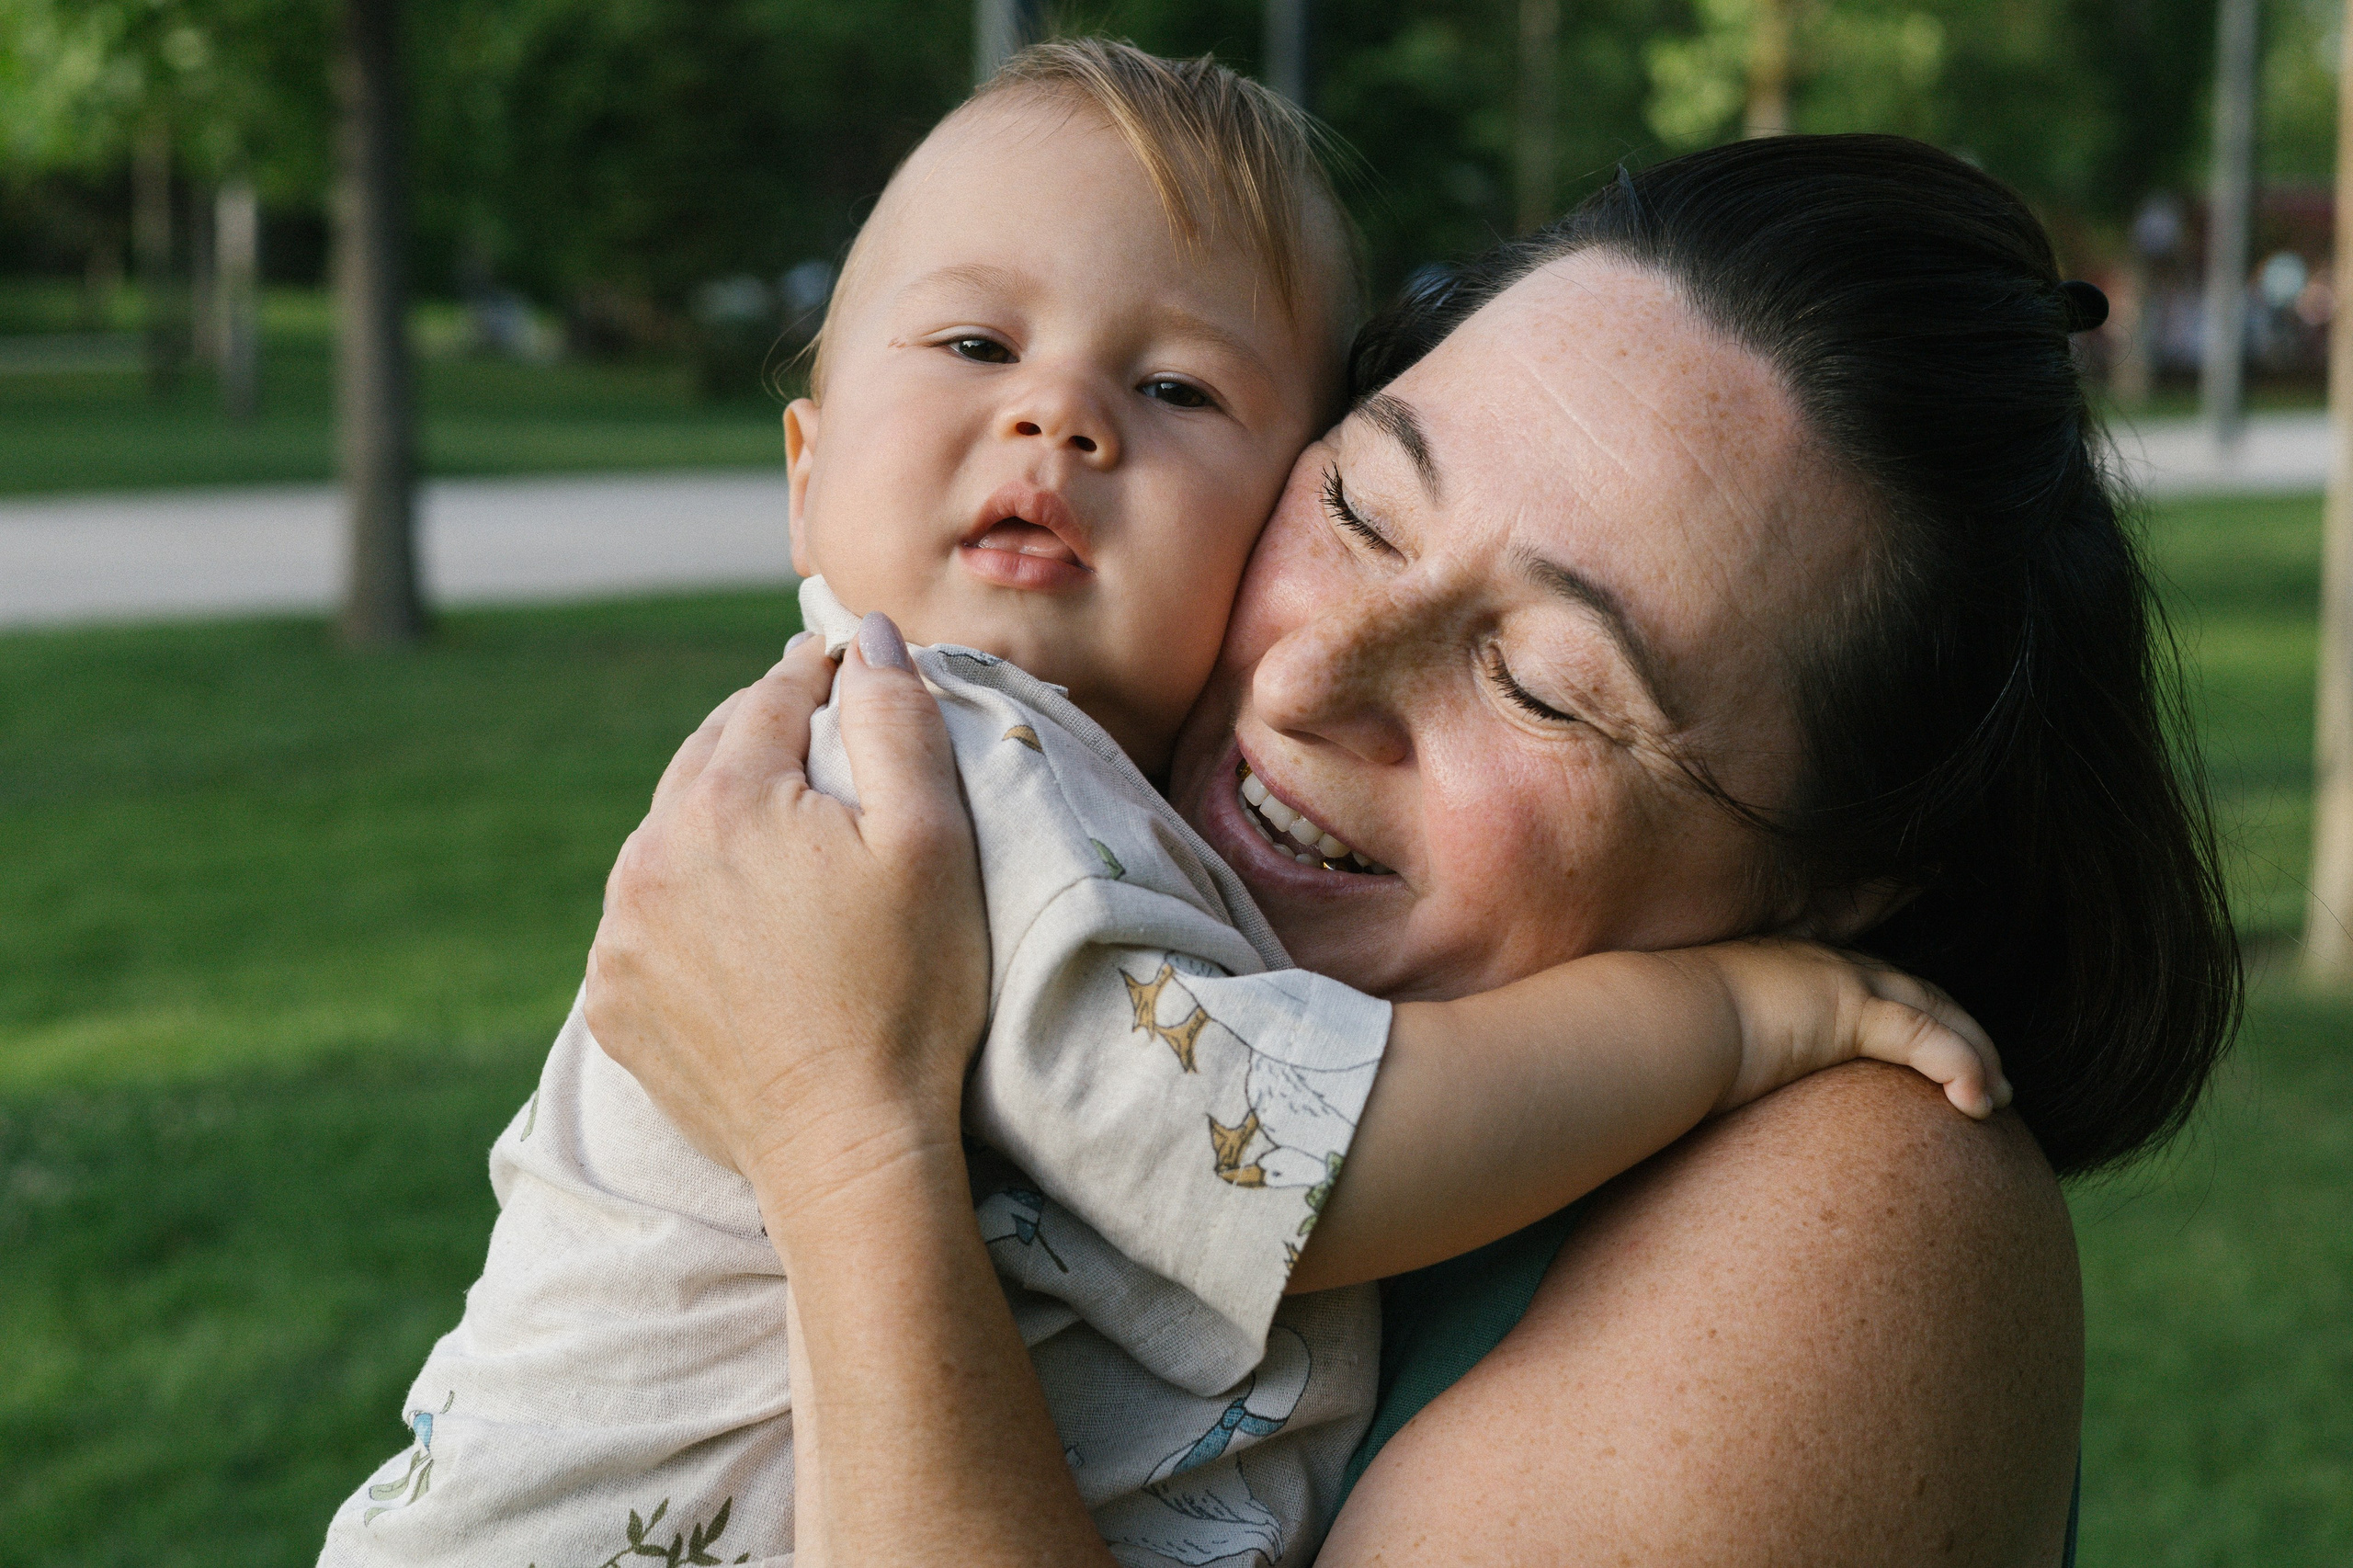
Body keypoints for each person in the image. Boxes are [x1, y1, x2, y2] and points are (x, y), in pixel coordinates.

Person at [320, 50, 2001, 1568]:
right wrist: (1716, 1018)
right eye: (1359, 505)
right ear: (805, 471)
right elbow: (1286, 1158)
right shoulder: (946, 768)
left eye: (1549, 681)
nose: (1309, 680)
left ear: (1842, 873)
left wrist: (846, 1134)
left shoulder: (1846, 1223)